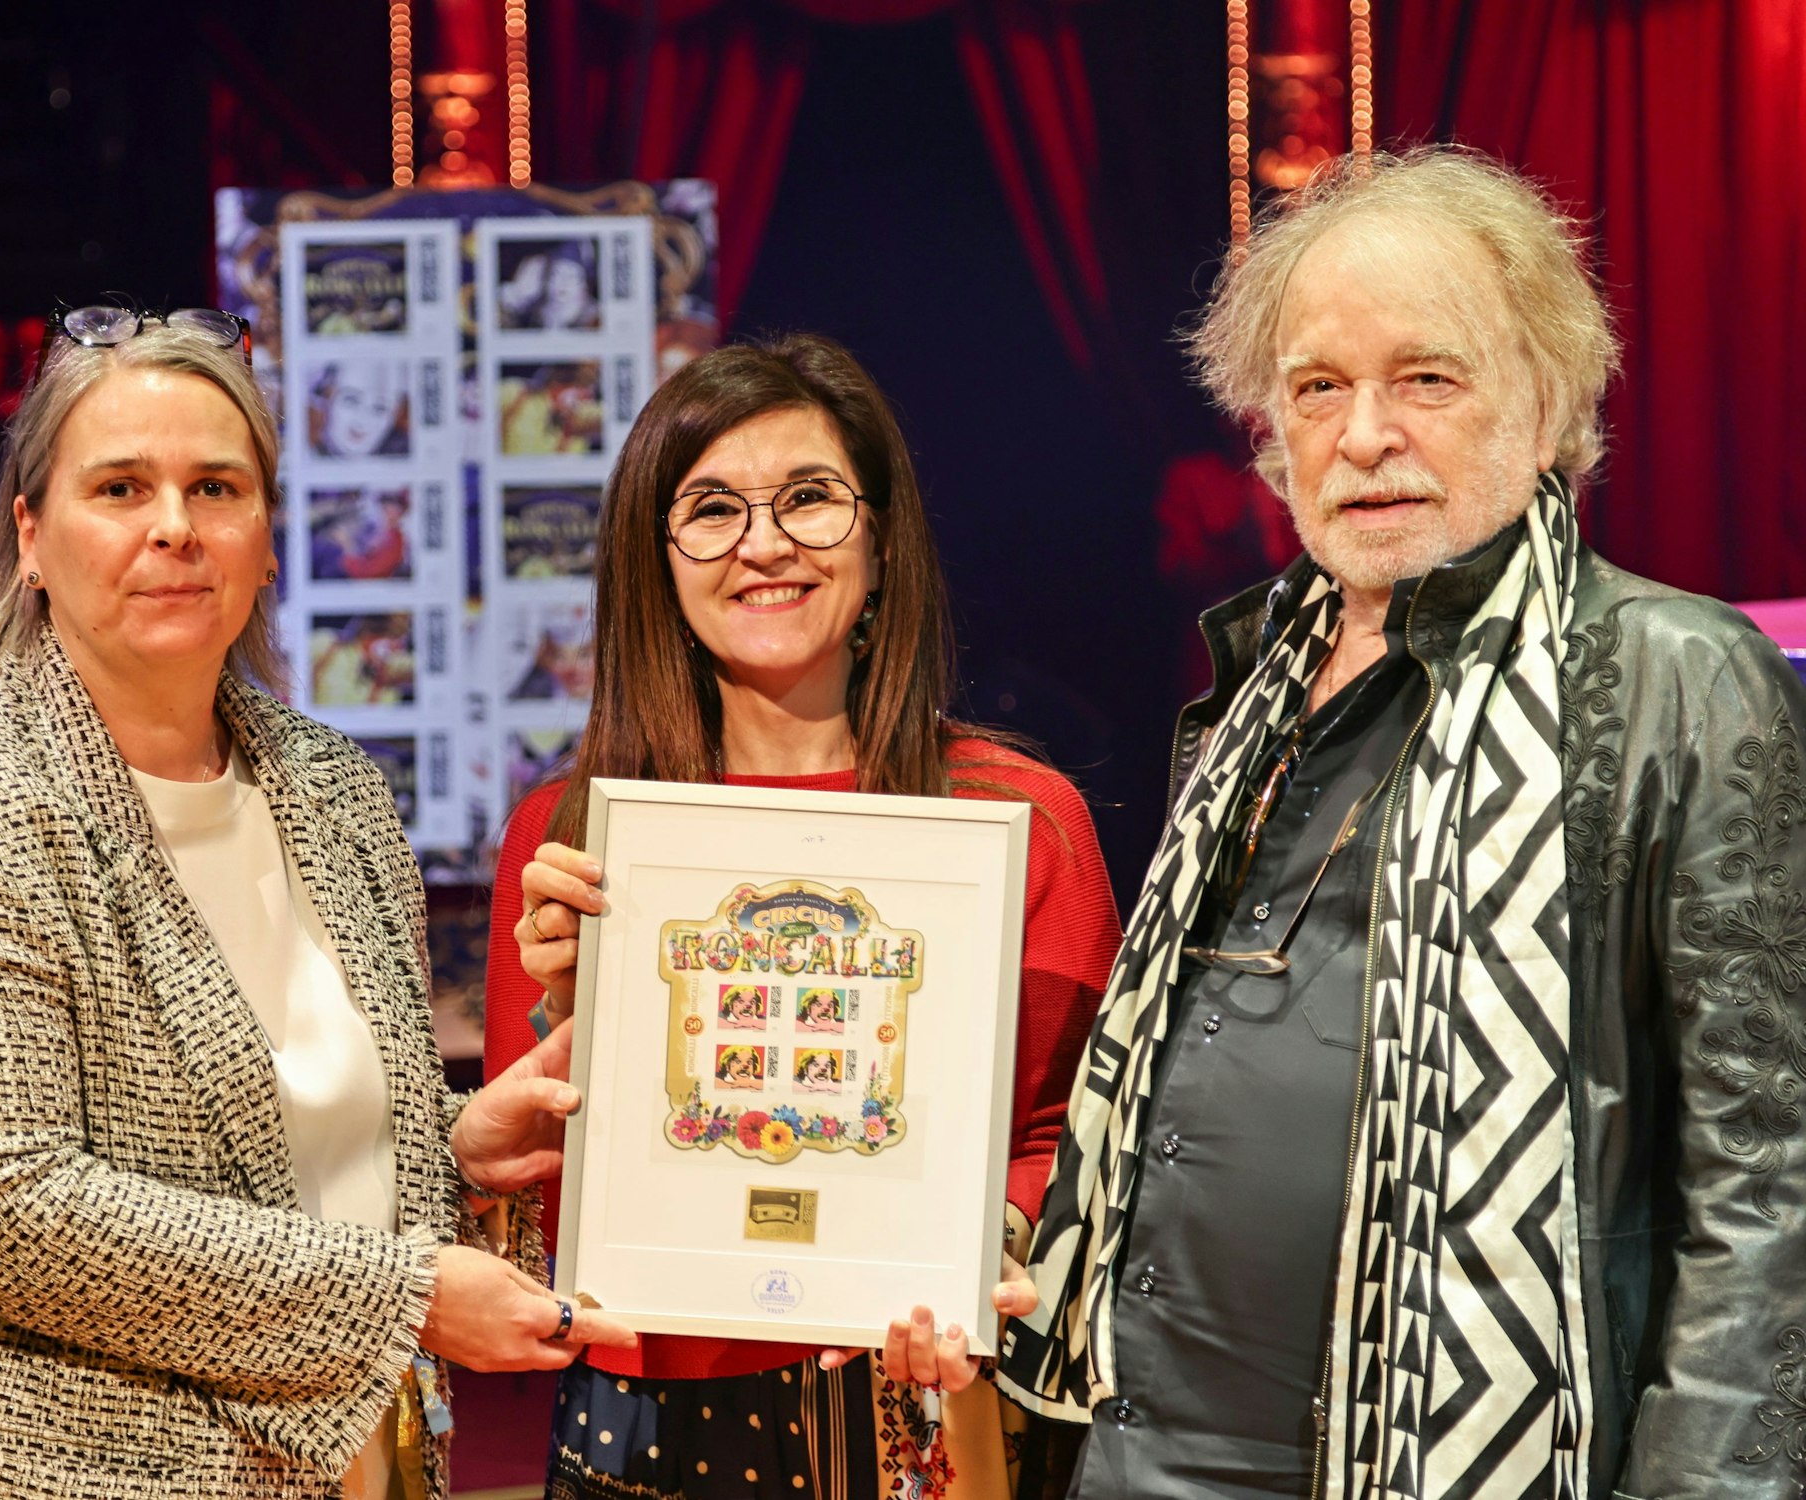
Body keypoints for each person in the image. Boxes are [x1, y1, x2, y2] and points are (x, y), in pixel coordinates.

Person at [998, 146, 1806, 1499]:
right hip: (1132, 1443)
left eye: (1426, 378)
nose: (1364, 435)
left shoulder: (1671, 672)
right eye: (1318, 389)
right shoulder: (1253, 675)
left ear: (1547, 407)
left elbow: (1768, 1178)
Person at [0, 305, 633, 1499]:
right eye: (121, 489)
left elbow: (266, 1167)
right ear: (31, 536)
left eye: (216, 487)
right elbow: (3, 1212)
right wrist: (406, 1293)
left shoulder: (334, 790)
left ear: (266, 533)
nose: (175, 529)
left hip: (355, 1467)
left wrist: (455, 1156)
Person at [482, 333, 1124, 1500]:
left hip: (919, 1412)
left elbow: (1067, 1145)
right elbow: (536, 1207)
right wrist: (568, 1015)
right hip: (638, 1420)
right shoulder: (569, 836)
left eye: (809, 500)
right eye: (712, 508)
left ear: (878, 540)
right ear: (656, 559)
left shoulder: (1017, 821)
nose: (763, 542)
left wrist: (991, 1253)